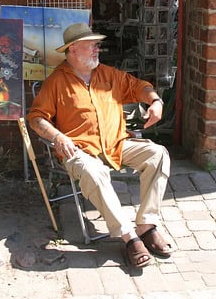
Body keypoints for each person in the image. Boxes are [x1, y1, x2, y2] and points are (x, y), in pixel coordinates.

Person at [27, 22, 174, 269]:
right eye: (92, 45)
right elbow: (36, 117)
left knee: (157, 154)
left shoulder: (109, 75)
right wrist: (58, 137)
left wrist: (155, 101)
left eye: (97, 45)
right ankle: (129, 237)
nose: (97, 49)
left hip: (117, 143)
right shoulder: (56, 82)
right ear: (73, 50)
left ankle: (147, 224)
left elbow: (140, 86)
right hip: (80, 150)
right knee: (94, 171)